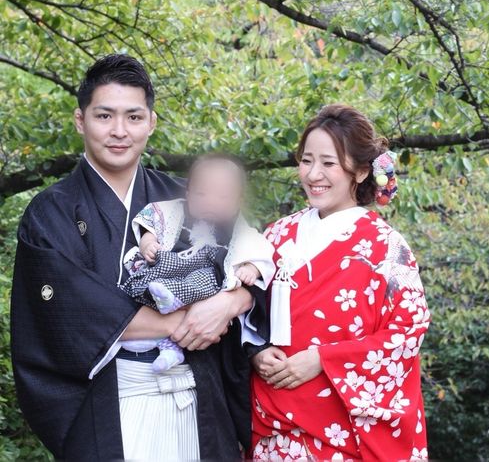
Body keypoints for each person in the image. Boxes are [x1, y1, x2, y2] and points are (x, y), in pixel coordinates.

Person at [11, 54, 265, 460]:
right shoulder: (52, 211)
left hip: (197, 397)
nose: (119, 131)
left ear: (151, 122)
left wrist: (232, 302)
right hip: (112, 403)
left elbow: (252, 257)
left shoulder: (189, 196)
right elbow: (70, 312)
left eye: (133, 117)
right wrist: (190, 322)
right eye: (104, 116)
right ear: (80, 120)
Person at [251, 104, 430, 461]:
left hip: (340, 435)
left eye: (328, 163)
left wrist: (323, 358)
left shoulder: (386, 247)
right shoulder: (276, 234)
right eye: (306, 161)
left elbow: (408, 331)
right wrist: (253, 351)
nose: (313, 174)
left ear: (361, 171)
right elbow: (244, 309)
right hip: (270, 433)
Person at [120, 153, 275, 373]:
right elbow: (151, 221)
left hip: (203, 284)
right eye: (201, 194)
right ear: (188, 193)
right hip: (168, 272)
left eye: (223, 196)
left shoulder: (241, 231)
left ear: (238, 201)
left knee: (207, 280)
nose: (211, 202)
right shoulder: (173, 210)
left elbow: (262, 252)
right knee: (152, 272)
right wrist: (148, 242)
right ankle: (167, 330)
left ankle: (172, 340)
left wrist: (252, 268)